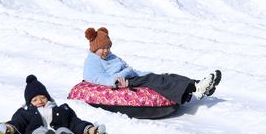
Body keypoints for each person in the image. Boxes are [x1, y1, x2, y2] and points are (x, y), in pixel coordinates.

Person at [82, 27, 221, 105]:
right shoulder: (92, 61)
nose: (106, 51)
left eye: (108, 47)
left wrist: (143, 73)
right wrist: (117, 80)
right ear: (95, 48)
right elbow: (98, 78)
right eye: (103, 48)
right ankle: (194, 88)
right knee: (152, 80)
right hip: (121, 83)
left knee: (163, 76)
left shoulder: (111, 56)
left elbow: (130, 69)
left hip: (130, 77)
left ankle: (197, 84)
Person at [0, 75, 105, 134]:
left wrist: (90, 129)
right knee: (38, 132)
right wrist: (9, 128)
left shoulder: (60, 109)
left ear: (48, 98)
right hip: (38, 131)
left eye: (43, 97)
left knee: (64, 130)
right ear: (29, 102)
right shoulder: (25, 112)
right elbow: (18, 122)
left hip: (59, 131)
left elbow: (74, 122)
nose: (40, 101)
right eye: (35, 99)